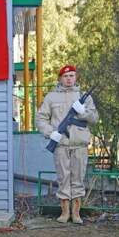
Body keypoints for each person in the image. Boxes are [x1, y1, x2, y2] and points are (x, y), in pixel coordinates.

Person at [35, 65, 98, 224]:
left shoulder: (84, 97)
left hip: (79, 144)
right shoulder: (51, 97)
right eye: (66, 76)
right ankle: (64, 212)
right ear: (60, 78)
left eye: (71, 75)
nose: (69, 78)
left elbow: (95, 118)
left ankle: (76, 214)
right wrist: (51, 132)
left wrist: (82, 111)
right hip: (61, 144)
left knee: (78, 178)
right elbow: (40, 119)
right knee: (63, 178)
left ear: (75, 77)